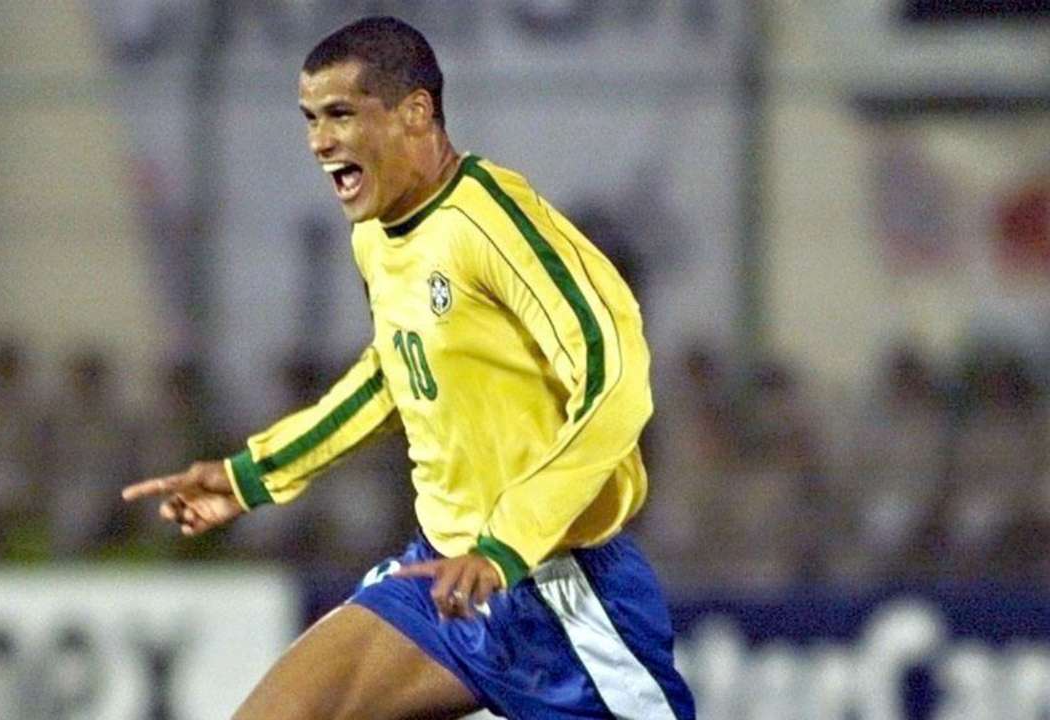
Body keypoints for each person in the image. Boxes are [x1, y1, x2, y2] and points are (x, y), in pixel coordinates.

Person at [123, 16, 696, 720]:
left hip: (562, 593)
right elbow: (394, 372)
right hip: (441, 579)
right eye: (310, 119)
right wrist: (254, 474)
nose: (319, 141)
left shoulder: (490, 221)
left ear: (415, 113)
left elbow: (615, 380)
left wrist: (507, 544)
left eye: (340, 114)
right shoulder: (377, 236)